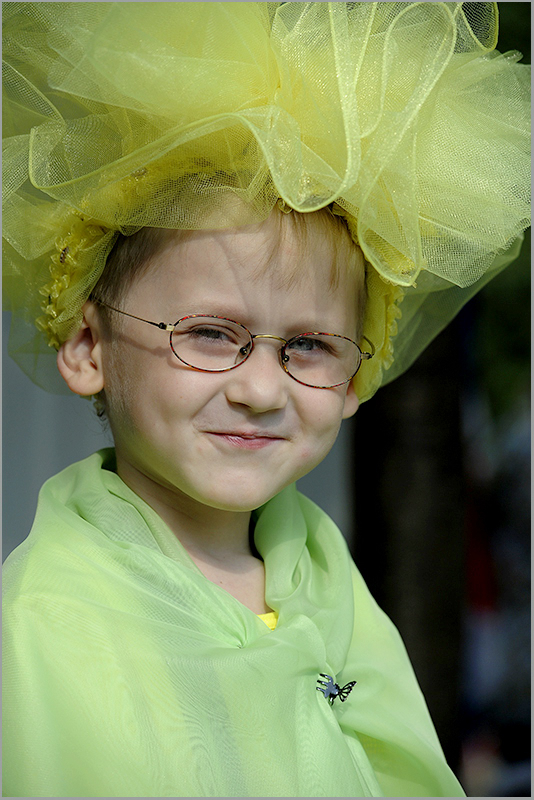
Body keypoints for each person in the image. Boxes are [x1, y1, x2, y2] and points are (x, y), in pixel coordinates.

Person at [2, 3, 530, 797]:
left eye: (311, 347)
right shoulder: (46, 628)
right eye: (210, 334)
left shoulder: (323, 578)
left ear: (356, 379)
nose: (259, 390)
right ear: (87, 348)